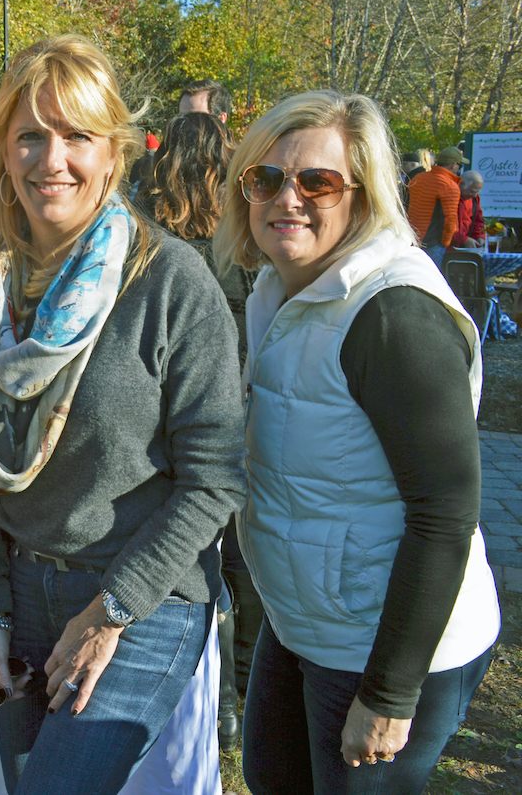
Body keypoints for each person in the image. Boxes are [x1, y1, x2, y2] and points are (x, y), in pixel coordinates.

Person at [0, 34, 246, 794]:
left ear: (113, 152)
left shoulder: (173, 281)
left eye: (77, 136)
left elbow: (214, 479)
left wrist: (109, 611)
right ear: (3, 154)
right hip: (20, 591)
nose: (53, 160)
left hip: (143, 598)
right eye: (30, 136)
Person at [213, 90, 499, 793]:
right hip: (305, 617)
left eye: (318, 181)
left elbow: (445, 512)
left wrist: (390, 693)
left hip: (389, 644)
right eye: (267, 178)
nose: (289, 197)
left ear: (365, 193)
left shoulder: (391, 313)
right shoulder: (279, 290)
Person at [133, 110, 261, 752]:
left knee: (192, 551)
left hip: (163, 412)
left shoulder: (146, 231)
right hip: (229, 410)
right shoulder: (241, 236)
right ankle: (231, 704)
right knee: (234, 562)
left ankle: (218, 703)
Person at [407, 145, 469, 268]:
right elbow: (450, 218)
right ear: (453, 165)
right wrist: (445, 242)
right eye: (459, 165)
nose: (458, 168)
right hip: (433, 242)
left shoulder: (418, 178)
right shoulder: (449, 185)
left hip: (412, 237)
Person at [455, 170, 486, 248]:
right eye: (472, 191)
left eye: (477, 192)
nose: (475, 195)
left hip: (466, 242)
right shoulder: (452, 196)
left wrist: (479, 236)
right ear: (462, 184)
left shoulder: (475, 199)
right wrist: (464, 239)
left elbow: (477, 220)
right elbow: (447, 224)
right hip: (451, 244)